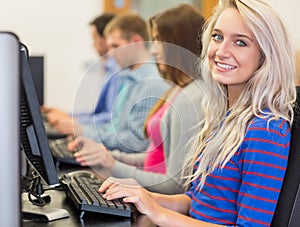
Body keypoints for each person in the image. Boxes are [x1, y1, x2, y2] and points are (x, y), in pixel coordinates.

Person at [97, 0, 297, 226]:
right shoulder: (225, 117)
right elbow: (198, 201)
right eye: (217, 37)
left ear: (265, 56)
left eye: (240, 42)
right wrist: (143, 195)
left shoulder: (266, 130)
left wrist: (158, 213)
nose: (221, 51)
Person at [68, 4, 206, 194]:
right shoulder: (178, 90)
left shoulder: (190, 97)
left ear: (179, 44)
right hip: (149, 191)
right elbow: (154, 157)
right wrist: (110, 157)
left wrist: (112, 165)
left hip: (156, 198)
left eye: (159, 40)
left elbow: (174, 184)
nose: (155, 50)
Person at [69, 12, 170, 153]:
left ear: (136, 42)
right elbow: (114, 127)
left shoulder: (150, 83)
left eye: (115, 46)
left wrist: (82, 130)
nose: (110, 53)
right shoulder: (128, 76)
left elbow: (135, 143)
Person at [43, 13, 121, 133]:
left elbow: (109, 118)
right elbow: (99, 114)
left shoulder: (116, 70)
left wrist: (71, 120)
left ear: (106, 39)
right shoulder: (109, 68)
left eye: (94, 39)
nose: (93, 45)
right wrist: (67, 116)